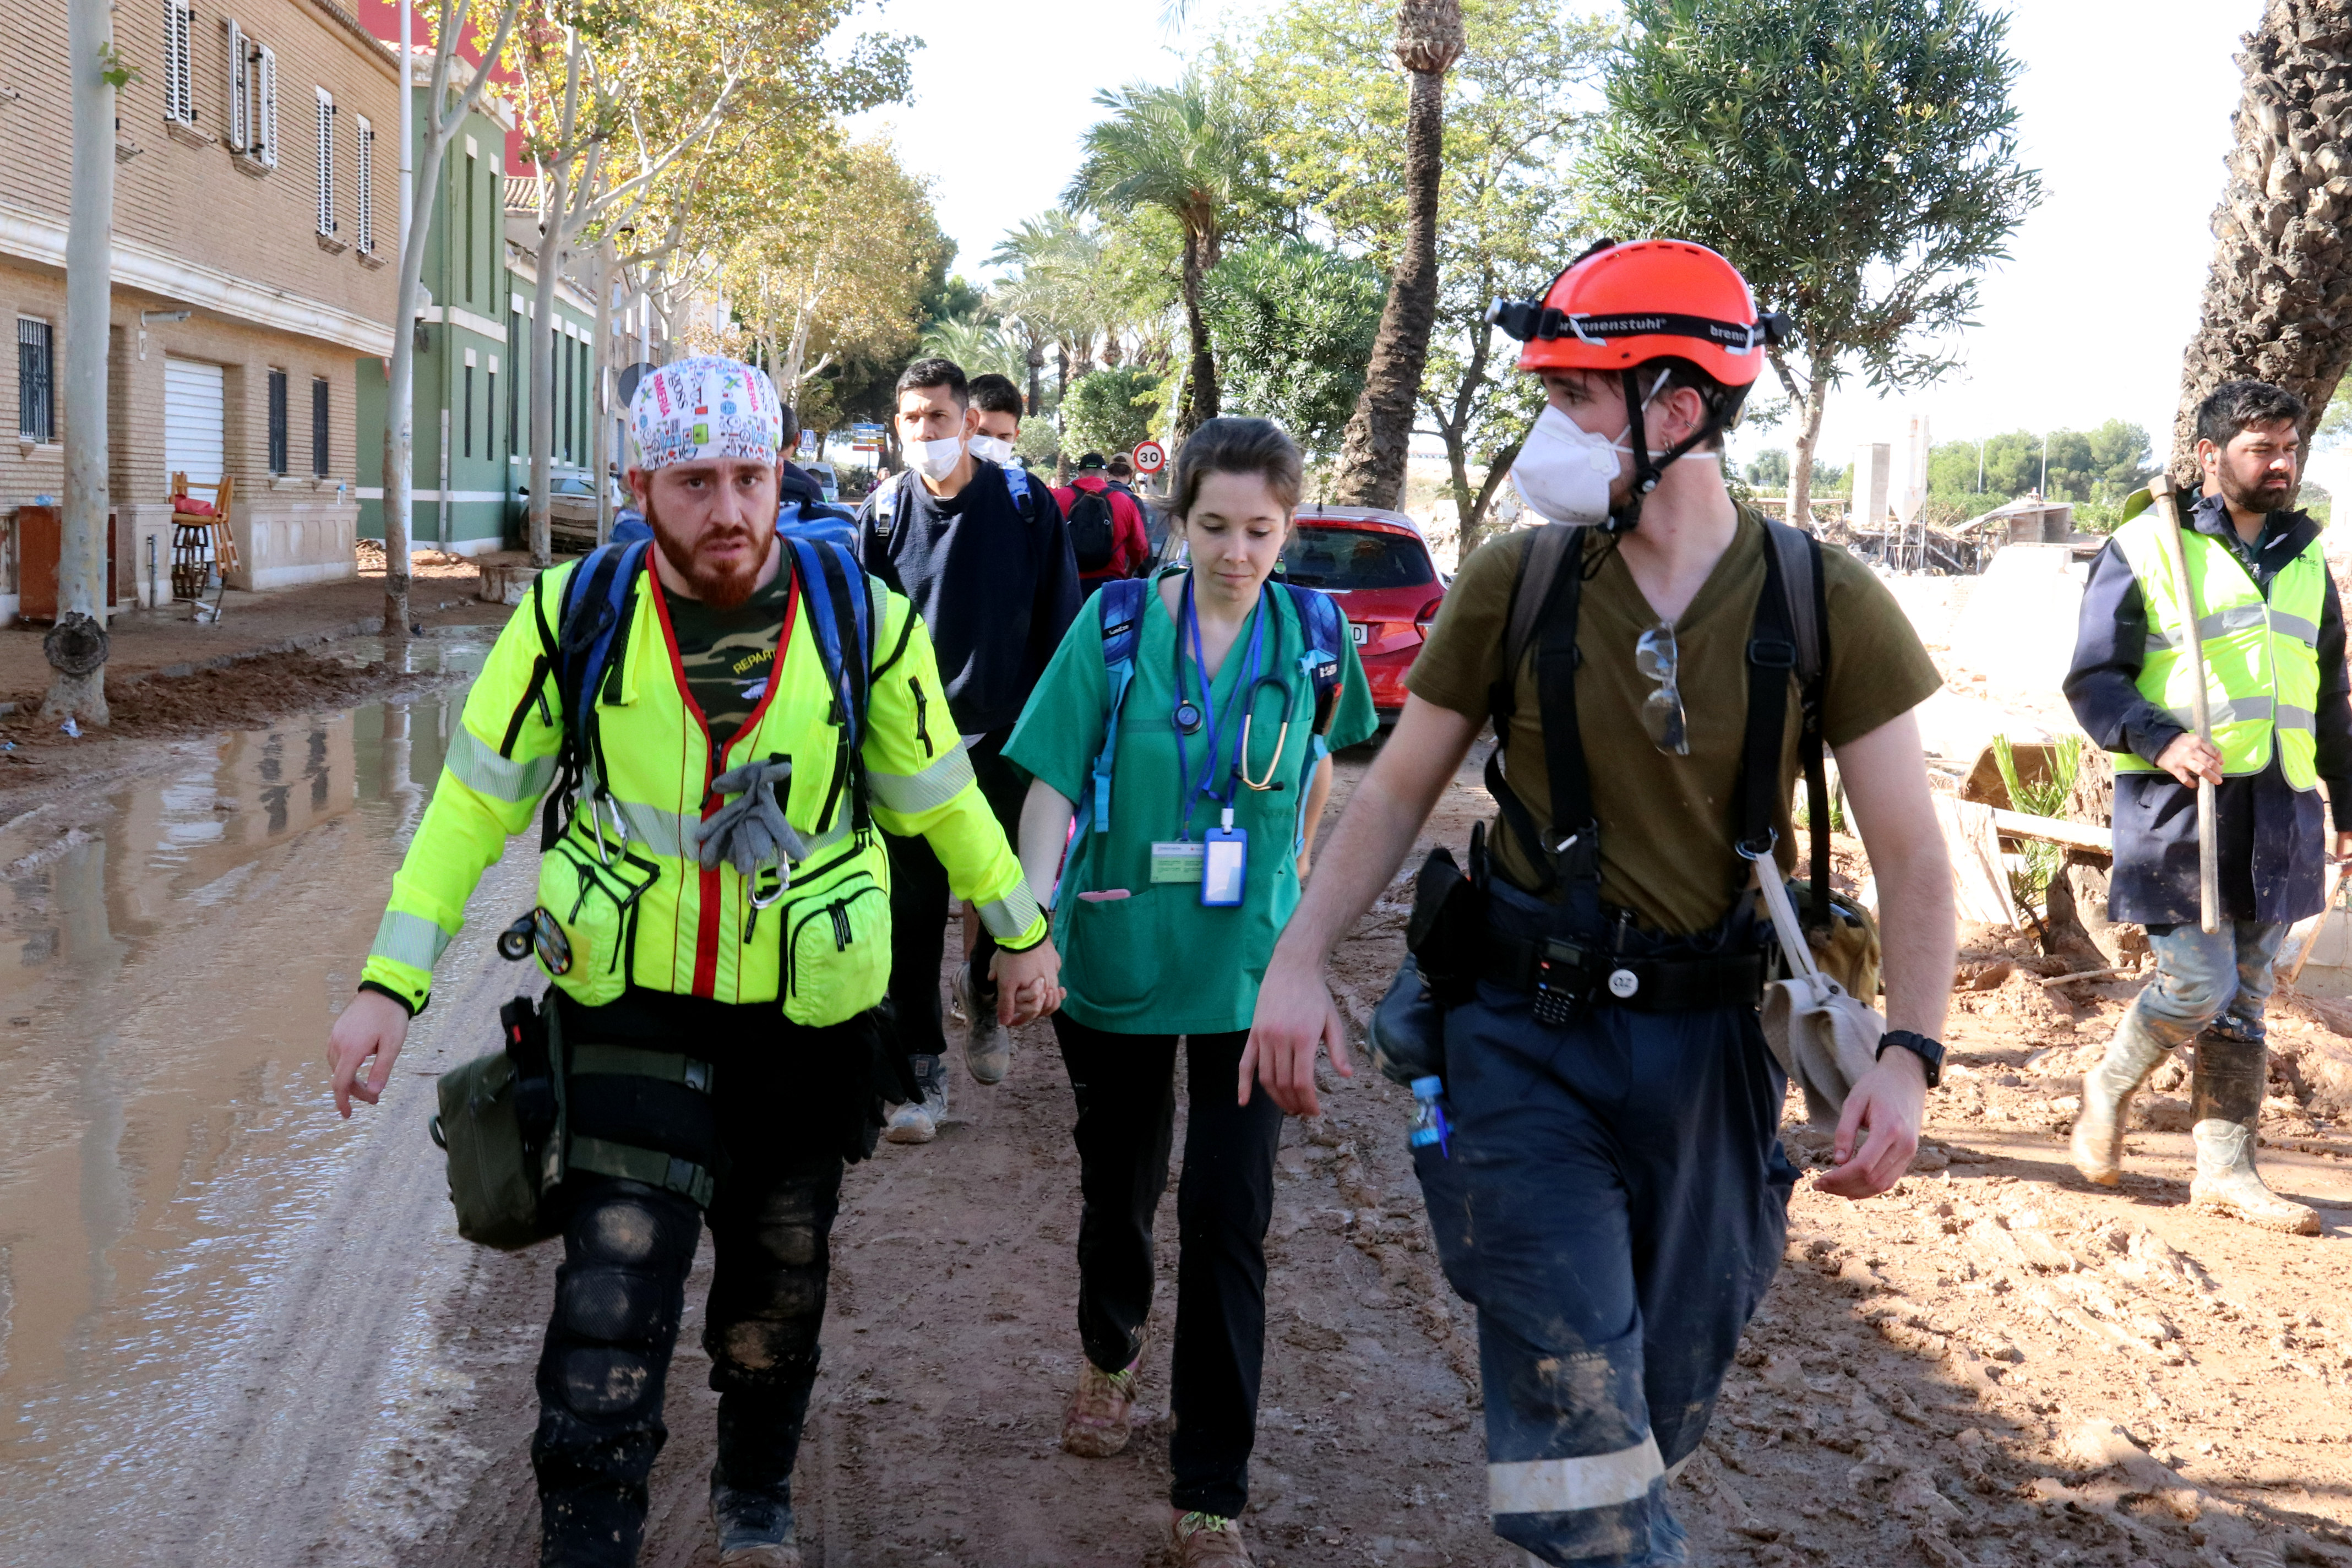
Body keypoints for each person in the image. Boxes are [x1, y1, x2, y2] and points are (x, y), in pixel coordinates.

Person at [1244, 239, 1957, 1567]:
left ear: (1675, 406)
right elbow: (1397, 789)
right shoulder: (1517, 580)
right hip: (1521, 1039)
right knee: (1577, 1402)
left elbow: (1912, 852)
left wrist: (1909, 1054)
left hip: (1711, 1062)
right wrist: (1294, 959)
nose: (1548, 432)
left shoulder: (1823, 598)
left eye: (1577, 396)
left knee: (1655, 1399)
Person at [324, 355, 1062, 1568]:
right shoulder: (574, 616)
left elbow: (943, 796)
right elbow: (469, 807)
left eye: (751, 476)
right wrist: (387, 986)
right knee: (608, 1311)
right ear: (640, 484)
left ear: (780, 474)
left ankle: (756, 1492)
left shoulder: (860, 621)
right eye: (696, 480)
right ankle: (588, 1541)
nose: (729, 508)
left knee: (778, 1284)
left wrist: (1019, 929)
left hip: (808, 1018)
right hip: (630, 1010)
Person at [1006, 417, 1376, 1567]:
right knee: (1119, 1187)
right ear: (1180, 520)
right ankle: (1109, 1353)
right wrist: (1026, 920)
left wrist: (1301, 901)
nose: (1236, 550)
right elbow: (1052, 784)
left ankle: (1209, 1489)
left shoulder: (1316, 639)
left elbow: (1330, 765)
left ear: (1288, 526)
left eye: (1261, 529)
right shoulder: (1113, 629)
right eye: (1214, 525)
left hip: (1249, 980)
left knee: (1231, 1217)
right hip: (1116, 955)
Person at [2065, 378, 2351, 1236]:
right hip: (2183, 802)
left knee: (2247, 994)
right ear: (2209, 456)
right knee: (2200, 980)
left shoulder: (2307, 559)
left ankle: (2226, 1172)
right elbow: (2093, 679)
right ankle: (2110, 1084)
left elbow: (2329, 696)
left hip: (2282, 807)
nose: (2281, 464)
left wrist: (2349, 806)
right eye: (2262, 448)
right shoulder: (2147, 545)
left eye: (2290, 448)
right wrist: (2162, 739)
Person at [861, 357, 1082, 1139]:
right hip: (910, 755)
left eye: (940, 419)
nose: (927, 432)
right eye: (913, 418)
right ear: (898, 425)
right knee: (909, 917)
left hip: (1008, 745)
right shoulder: (883, 514)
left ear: (968, 423)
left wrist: (1057, 743)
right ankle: (922, 1078)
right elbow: (860, 643)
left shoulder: (1025, 508)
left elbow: (1064, 631)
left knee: (1001, 897)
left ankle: (986, 1000)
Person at [1055, 450, 1152, 591]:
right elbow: (1140, 548)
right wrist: (1129, 572)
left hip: (1067, 583)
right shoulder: (1125, 502)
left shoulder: (1057, 498)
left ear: (1080, 473)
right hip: (1111, 585)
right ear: (1106, 475)